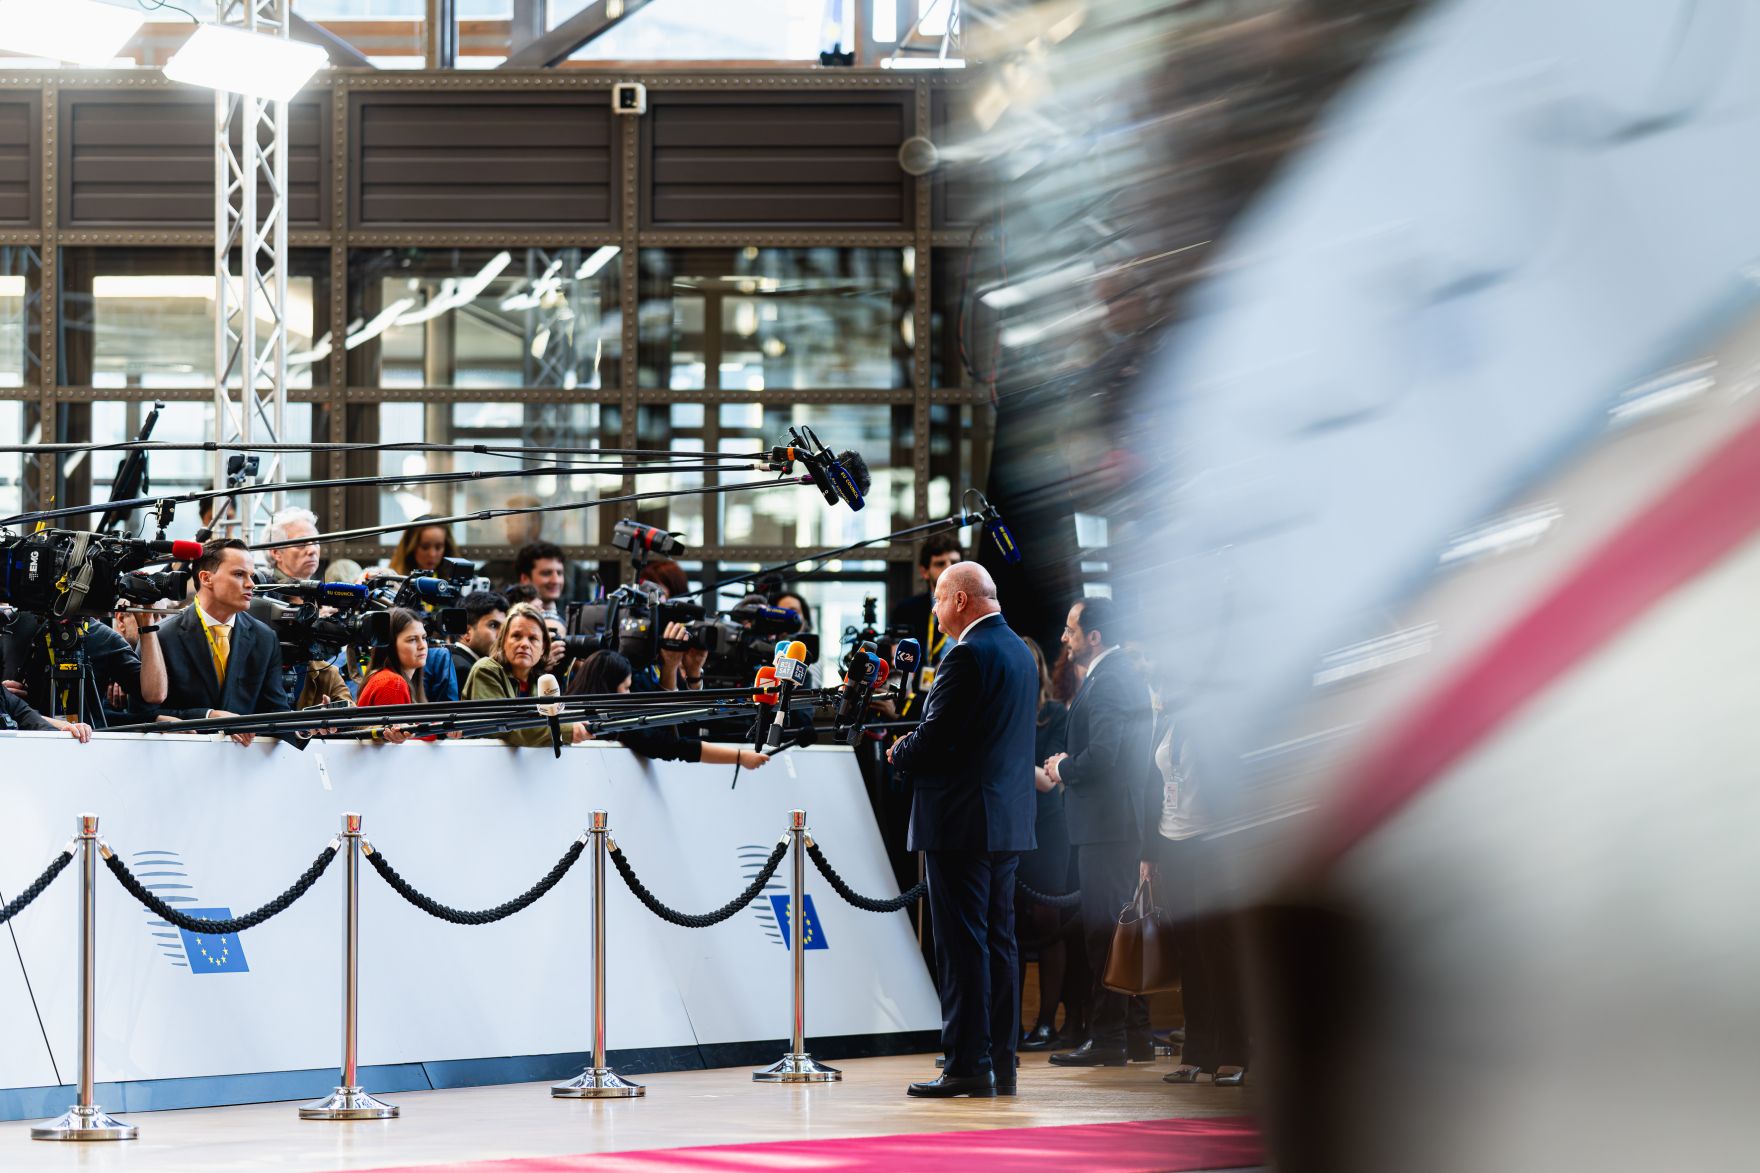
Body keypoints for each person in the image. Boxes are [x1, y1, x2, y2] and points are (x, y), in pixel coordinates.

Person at [887, 562, 1037, 1099]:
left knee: (963, 947)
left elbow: (937, 737)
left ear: (960, 601)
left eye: (936, 599)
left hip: (959, 822)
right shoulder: (1021, 652)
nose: (933, 609)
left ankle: (967, 1065)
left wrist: (899, 750)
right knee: (1000, 943)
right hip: (1006, 823)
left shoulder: (965, 654)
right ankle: (1000, 1062)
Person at [1044, 596, 1157, 1067]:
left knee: (1105, 932)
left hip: (1108, 827)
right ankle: (1135, 1035)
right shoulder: (1115, 676)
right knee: (1116, 929)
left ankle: (1109, 1037)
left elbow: (1105, 755)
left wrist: (1062, 766)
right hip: (1112, 825)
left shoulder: (1109, 680)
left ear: (1095, 636)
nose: (1064, 638)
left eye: (1071, 629)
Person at [1145, 715, 1248, 1086]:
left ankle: (1234, 1051)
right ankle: (1196, 1052)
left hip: (1211, 843)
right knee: (1188, 950)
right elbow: (1150, 787)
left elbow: (1234, 779)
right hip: (1171, 845)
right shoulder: (1167, 721)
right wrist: (1149, 854)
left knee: (1217, 948)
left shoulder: (1216, 715)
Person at [140, 539, 291, 747]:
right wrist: (207, 715)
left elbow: (276, 711)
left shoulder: (265, 637)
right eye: (239, 574)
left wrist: (308, 729)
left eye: (251, 575)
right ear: (206, 578)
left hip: (243, 766)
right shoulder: (162, 636)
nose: (251, 584)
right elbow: (142, 713)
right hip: (178, 762)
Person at [1015, 636, 1084, 1052]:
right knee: (1013, 927)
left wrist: (1006, 757)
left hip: (1048, 827)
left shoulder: (1053, 713)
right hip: (1011, 827)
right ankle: (1015, 1025)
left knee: (1048, 921)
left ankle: (1047, 1023)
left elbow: (1048, 781)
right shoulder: (1004, 713)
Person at [573, 650, 770, 769]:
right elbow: (675, 747)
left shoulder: (567, 709)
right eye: (626, 688)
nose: (629, 694)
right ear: (608, 688)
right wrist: (740, 757)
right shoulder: (612, 725)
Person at [2, 605, 168, 729]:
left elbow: (154, 694)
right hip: (21, 740)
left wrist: (147, 624)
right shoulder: (13, 625)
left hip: (84, 744)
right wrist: (5, 698)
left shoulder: (105, 639)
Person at [460, 602, 588, 749]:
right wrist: (566, 730)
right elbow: (506, 727)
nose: (525, 644)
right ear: (502, 642)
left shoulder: (541, 680)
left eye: (533, 638)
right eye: (516, 636)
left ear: (543, 648)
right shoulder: (486, 670)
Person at [890, 534, 964, 719]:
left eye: (955, 562)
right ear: (924, 571)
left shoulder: (973, 609)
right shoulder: (907, 610)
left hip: (959, 701)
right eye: (940, 564)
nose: (949, 569)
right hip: (915, 706)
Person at [357, 608, 454, 744]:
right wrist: (440, 732)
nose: (422, 646)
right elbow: (397, 744)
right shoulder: (392, 682)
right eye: (412, 640)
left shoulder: (392, 679)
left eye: (424, 638)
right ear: (389, 645)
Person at [450, 591, 507, 688]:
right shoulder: (463, 670)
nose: (502, 634)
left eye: (504, 628)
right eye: (493, 625)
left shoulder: (452, 660)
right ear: (466, 632)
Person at [261, 506, 321, 584]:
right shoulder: (265, 592)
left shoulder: (316, 591)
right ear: (276, 553)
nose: (312, 550)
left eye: (315, 542)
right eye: (301, 543)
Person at [514, 541, 566, 620]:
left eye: (559, 573)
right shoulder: (510, 620)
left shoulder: (569, 619)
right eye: (546, 573)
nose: (556, 581)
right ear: (525, 578)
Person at [390, 516, 457, 576]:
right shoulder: (393, 582)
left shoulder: (458, 584)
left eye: (438, 547)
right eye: (425, 547)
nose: (432, 554)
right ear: (411, 547)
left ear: (447, 548)